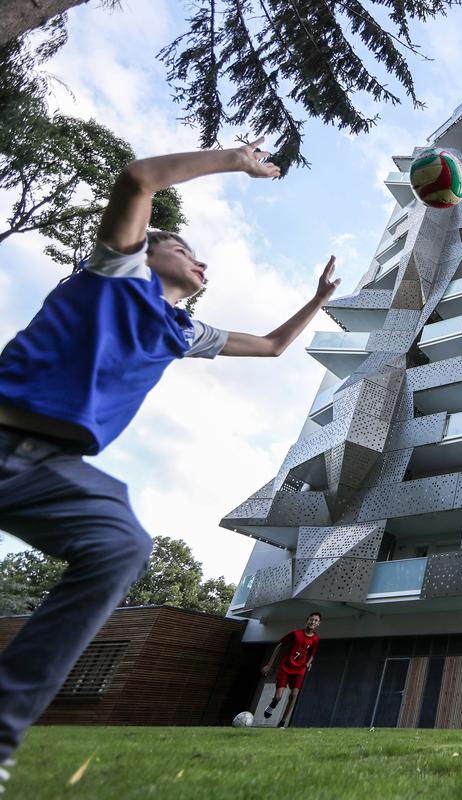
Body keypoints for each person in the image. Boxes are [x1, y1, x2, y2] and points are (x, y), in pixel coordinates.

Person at [0, 136, 341, 783]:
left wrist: (318, 303)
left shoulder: (184, 330)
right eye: (182, 246)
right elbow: (138, 180)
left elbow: (269, 346)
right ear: (149, 251)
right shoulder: (117, 270)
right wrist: (233, 162)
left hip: (49, 469)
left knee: (122, 543)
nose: (198, 256)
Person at [261, 612, 322, 727]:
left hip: (299, 670)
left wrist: (308, 664)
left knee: (294, 695)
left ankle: (283, 722)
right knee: (278, 697)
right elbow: (279, 646)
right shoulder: (296, 634)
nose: (313, 622)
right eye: (311, 619)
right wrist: (269, 665)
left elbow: (312, 654)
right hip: (286, 668)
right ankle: (273, 704)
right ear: (307, 620)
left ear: (318, 624)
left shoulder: (315, 639)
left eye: (316, 621)